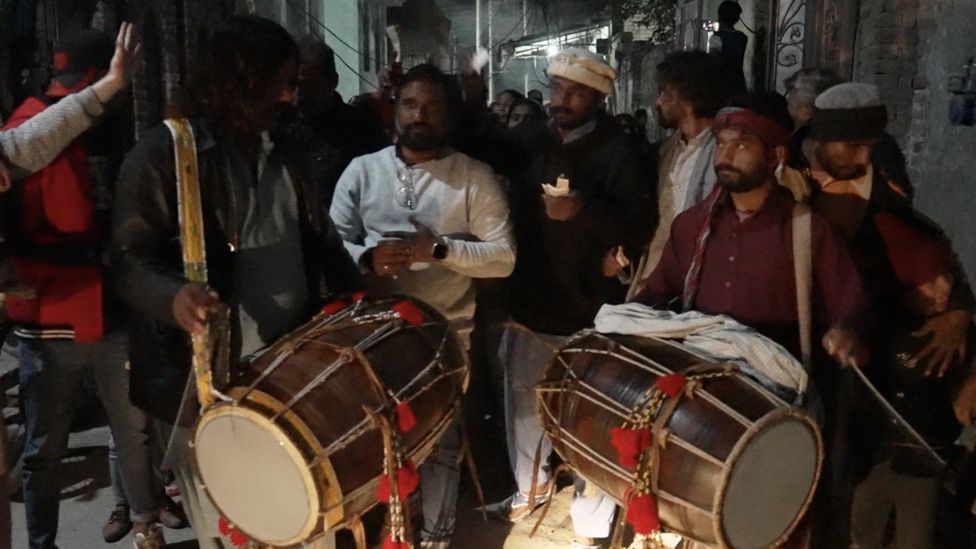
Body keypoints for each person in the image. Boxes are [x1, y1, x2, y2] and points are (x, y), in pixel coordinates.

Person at [111, 15, 359, 549]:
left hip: (289, 373)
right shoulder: (166, 154)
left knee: (303, 518)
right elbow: (128, 260)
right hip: (200, 383)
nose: (293, 95)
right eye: (284, 81)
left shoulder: (290, 149)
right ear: (243, 80)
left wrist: (360, 296)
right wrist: (172, 297)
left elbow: (322, 244)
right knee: (230, 533)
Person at [330, 63, 515, 549]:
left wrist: (439, 250)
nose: (420, 115)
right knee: (371, 442)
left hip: (444, 337)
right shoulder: (362, 170)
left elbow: (504, 258)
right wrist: (366, 257)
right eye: (411, 104)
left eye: (432, 106)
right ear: (395, 109)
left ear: (450, 116)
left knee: (440, 444)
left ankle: (434, 538)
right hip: (370, 336)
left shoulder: (473, 177)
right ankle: (377, 530)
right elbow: (330, 244)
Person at [1, 26, 165, 549]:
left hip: (108, 308)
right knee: (44, 450)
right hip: (46, 316)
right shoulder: (33, 122)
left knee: (131, 432)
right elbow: (29, 144)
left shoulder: (108, 128)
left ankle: (143, 521)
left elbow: (25, 147)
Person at [798, 83, 974, 548]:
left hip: (868, 369)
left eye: (869, 147)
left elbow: (932, 261)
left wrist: (958, 312)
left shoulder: (887, 202)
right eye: (851, 144)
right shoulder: (789, 182)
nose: (861, 156)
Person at [494, 47, 653, 549]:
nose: (561, 100)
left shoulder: (617, 150)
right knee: (524, 404)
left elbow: (638, 222)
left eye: (575, 92)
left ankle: (592, 511)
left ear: (597, 97)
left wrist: (582, 211)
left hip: (591, 304)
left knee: (592, 414)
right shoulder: (529, 139)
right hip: (532, 296)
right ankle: (531, 488)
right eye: (557, 89)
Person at [628, 50, 734, 299]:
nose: (658, 102)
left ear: (685, 94)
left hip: (701, 285)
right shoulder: (666, 151)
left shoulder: (724, 152)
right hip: (655, 282)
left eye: (664, 92)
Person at [278, 35, 388, 211]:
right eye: (292, 84)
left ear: (332, 82)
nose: (299, 95)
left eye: (308, 85)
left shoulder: (360, 131)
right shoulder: (276, 125)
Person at [708, 0, 748, 93]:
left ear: (719, 17)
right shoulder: (742, 37)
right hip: (738, 82)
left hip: (722, 84)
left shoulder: (716, 38)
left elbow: (713, 61)